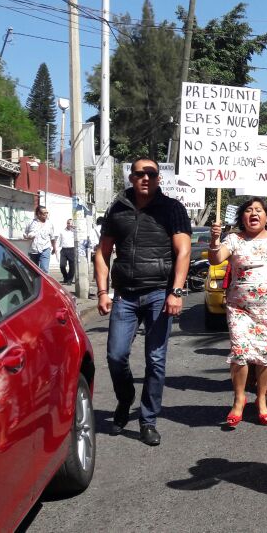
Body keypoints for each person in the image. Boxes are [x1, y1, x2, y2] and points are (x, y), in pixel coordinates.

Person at [95, 158, 191, 446]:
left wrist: (176, 292)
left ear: (158, 178)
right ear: (131, 177)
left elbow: (183, 251)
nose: (146, 178)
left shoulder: (172, 209)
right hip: (125, 294)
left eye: (151, 173)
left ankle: (148, 419)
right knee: (115, 356)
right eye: (140, 173)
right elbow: (103, 252)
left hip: (159, 294)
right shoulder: (118, 209)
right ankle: (125, 400)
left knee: (156, 359)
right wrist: (102, 292)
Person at [209, 198, 267, 427]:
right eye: (249, 210)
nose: (253, 214)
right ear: (242, 217)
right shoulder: (234, 239)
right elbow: (216, 258)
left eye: (259, 210)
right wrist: (214, 240)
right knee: (240, 351)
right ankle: (239, 400)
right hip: (239, 307)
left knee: (266, 355)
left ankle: (261, 401)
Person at [24, 205, 56, 273]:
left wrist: (54, 248)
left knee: (44, 269)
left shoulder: (50, 224)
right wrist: (27, 237)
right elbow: (25, 233)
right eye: (44, 213)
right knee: (33, 271)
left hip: (45, 249)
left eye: (47, 213)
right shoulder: (31, 223)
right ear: (39, 214)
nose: (46, 215)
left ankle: (43, 283)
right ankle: (35, 283)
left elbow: (52, 237)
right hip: (33, 249)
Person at [59, 219, 76, 283]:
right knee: (62, 265)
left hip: (72, 249)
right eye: (68, 223)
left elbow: (81, 234)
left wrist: (75, 228)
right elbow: (59, 240)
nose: (69, 224)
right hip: (64, 249)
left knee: (72, 266)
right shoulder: (62, 231)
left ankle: (69, 280)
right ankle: (65, 276)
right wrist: (57, 249)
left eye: (71, 223)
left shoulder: (75, 232)